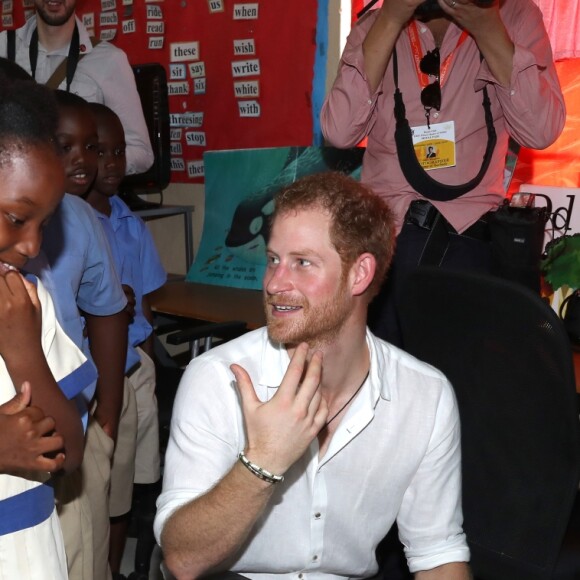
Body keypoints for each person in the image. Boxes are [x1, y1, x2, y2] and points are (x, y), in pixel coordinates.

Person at [154, 172, 471, 579]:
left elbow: (437, 553)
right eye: (273, 260)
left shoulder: (425, 396)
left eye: (302, 263)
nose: (274, 283)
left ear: (360, 274)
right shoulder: (218, 378)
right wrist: (262, 461)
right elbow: (182, 559)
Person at [321, 0, 565, 344]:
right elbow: (339, 130)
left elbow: (541, 130)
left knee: (457, 387)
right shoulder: (373, 25)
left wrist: (487, 28)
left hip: (468, 245)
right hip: (384, 243)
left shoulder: (514, 16)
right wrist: (390, 19)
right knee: (382, 389)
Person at [24, 88, 133, 580]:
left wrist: (107, 409)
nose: (81, 160)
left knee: (80, 555)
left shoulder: (81, 219)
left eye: (91, 146)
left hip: (72, 416)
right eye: (64, 145)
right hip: (17, 427)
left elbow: (107, 310)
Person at [0, 71, 93, 579]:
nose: (34, 246)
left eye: (45, 223)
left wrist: (24, 354)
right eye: (17, 218)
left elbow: (70, 452)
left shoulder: (28, 302)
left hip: (32, 550)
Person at [84, 102, 167, 579]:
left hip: (135, 363)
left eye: (119, 152)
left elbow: (148, 311)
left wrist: (149, 366)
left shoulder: (130, 223)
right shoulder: (68, 223)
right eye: (100, 151)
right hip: (96, 368)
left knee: (129, 484)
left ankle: (116, 568)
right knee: (100, 482)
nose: (111, 163)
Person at [0, 0, 153, 175]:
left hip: (79, 199)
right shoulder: (2, 48)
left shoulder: (109, 60)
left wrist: (82, 166)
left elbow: (142, 153)